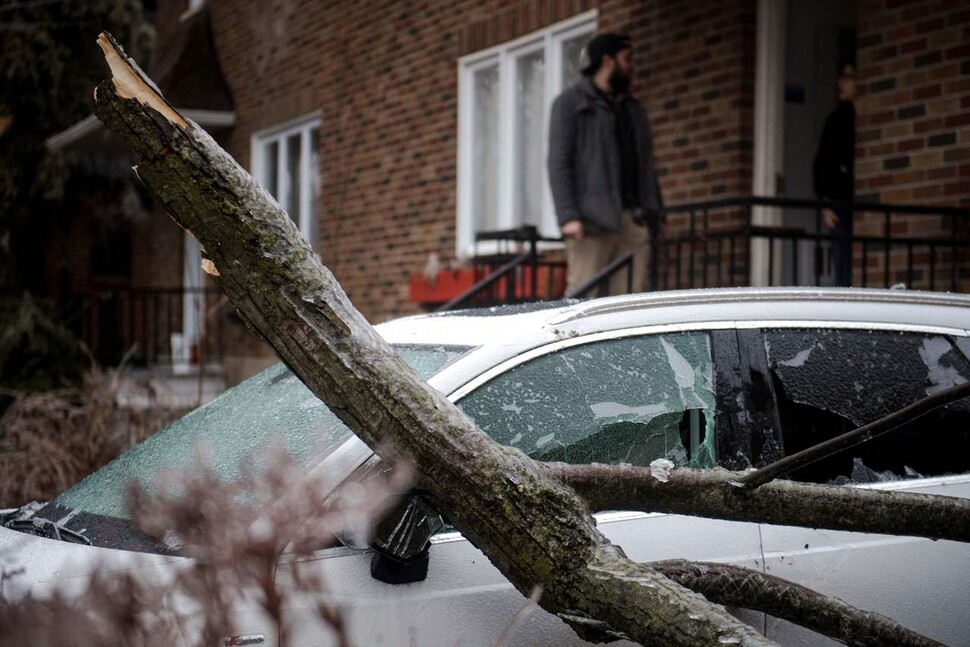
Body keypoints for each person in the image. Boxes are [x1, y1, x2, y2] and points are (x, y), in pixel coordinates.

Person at [547, 32, 664, 296]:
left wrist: (657, 213)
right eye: (627, 59)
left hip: (635, 220)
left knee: (630, 301)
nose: (631, 66)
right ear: (607, 61)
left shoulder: (634, 109)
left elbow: (646, 166)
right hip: (590, 221)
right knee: (583, 299)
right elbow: (558, 163)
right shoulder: (570, 104)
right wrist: (568, 216)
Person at [813, 60, 857, 287]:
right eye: (842, 77)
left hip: (858, 202)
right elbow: (823, 162)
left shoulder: (858, 118)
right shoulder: (837, 119)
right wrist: (825, 203)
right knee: (842, 267)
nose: (842, 83)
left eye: (849, 78)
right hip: (839, 203)